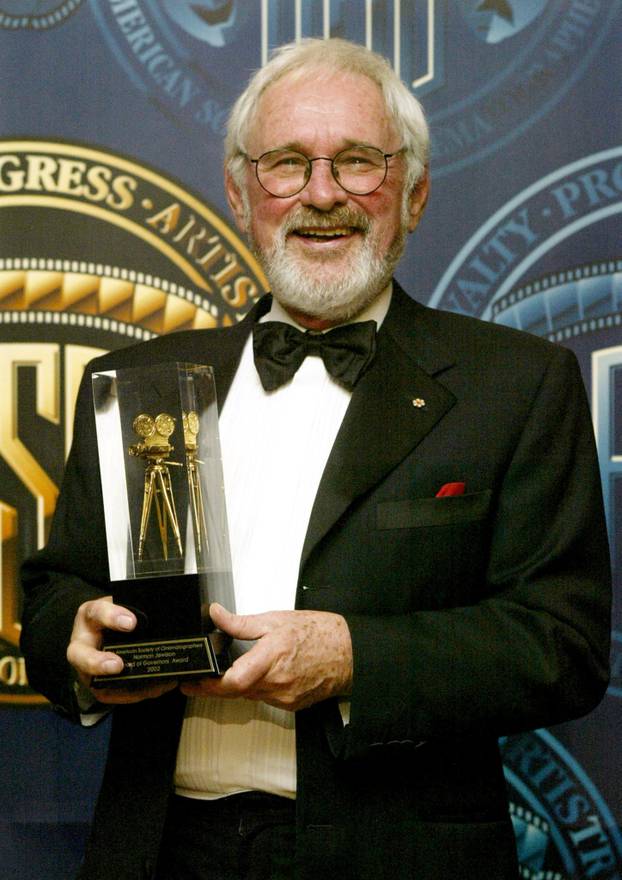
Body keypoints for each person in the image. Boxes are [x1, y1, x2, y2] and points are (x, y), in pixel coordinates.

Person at [20, 37, 611, 880]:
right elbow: (54, 595)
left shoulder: (514, 386)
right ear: (240, 193)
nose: (322, 194)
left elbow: (563, 646)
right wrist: (77, 644)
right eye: (287, 164)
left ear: (413, 193)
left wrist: (351, 659)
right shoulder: (139, 383)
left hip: (393, 855)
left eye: (359, 163)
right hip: (159, 851)